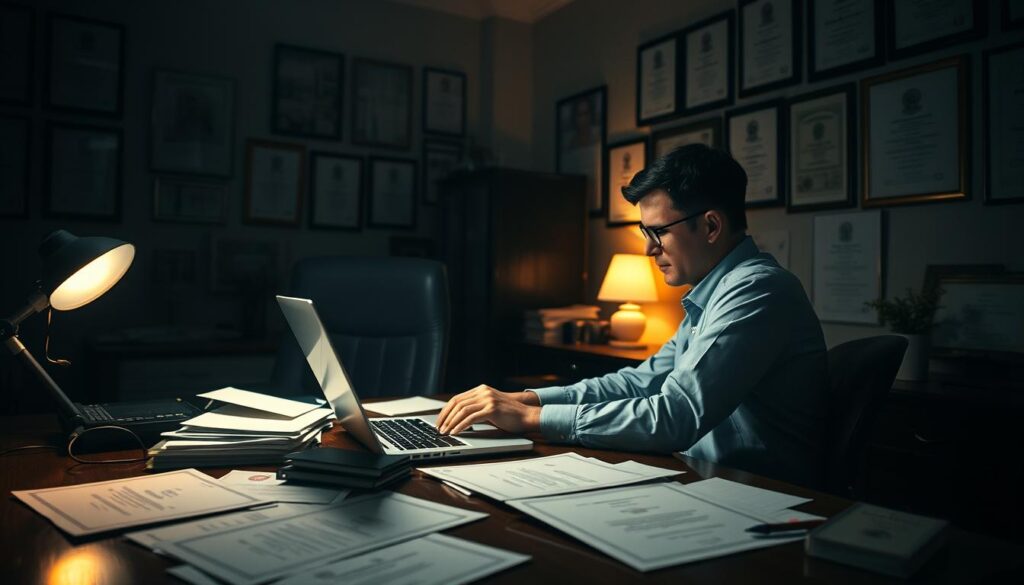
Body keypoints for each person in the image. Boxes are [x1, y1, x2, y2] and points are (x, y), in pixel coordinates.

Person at [435, 144, 828, 487]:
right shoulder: (711, 295)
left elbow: (675, 416)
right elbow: (639, 383)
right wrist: (526, 398)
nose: (648, 249)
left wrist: (532, 419)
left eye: (658, 232)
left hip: (765, 496)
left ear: (711, 226)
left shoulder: (757, 289)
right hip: (711, 479)